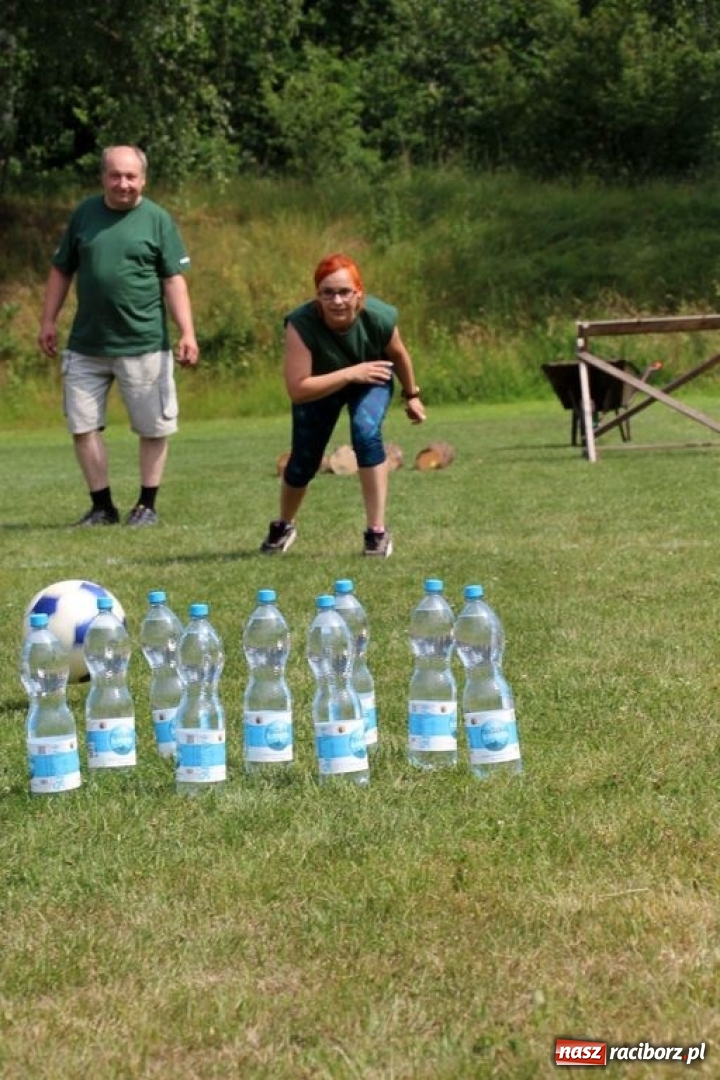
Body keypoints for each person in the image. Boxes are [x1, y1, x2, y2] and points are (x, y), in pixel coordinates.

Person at [37, 144, 199, 527]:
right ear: (103, 177)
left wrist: (187, 332)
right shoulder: (84, 215)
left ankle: (146, 505)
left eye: (130, 176)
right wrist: (48, 321)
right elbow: (62, 269)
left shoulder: (157, 219)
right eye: (115, 175)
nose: (123, 183)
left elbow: (173, 280)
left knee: (153, 427)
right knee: (82, 425)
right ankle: (102, 506)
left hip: (143, 343)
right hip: (87, 344)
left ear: (143, 178)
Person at [260, 252, 426, 557]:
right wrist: (351, 372)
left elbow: (399, 354)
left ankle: (376, 532)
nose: (337, 301)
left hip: (372, 379)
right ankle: (284, 524)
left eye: (344, 292)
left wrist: (412, 395)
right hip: (321, 385)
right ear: (317, 296)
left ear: (358, 293)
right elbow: (298, 389)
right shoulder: (300, 324)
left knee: (365, 432)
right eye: (328, 293)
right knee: (304, 461)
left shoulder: (379, 316)